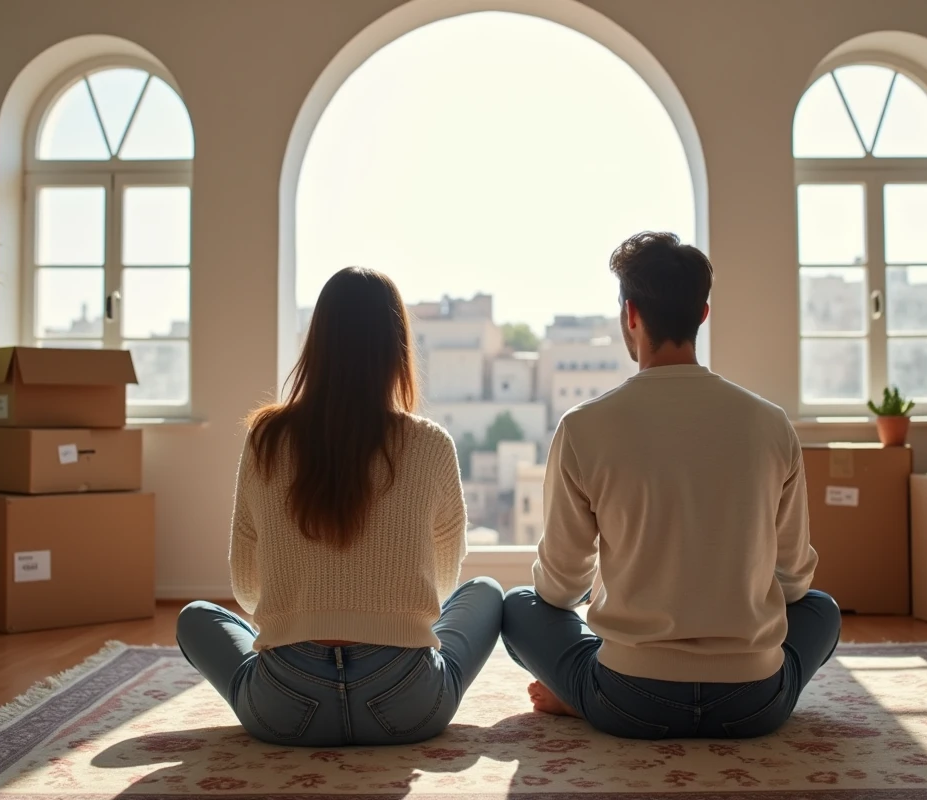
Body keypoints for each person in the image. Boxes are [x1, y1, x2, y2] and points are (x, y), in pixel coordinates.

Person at [501, 232, 840, 739]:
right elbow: (793, 582)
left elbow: (559, 587)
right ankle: (590, 694)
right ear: (702, 314)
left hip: (630, 698)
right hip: (753, 703)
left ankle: (582, 696)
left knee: (518, 608)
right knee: (822, 610)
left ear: (630, 315)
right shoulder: (771, 425)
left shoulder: (583, 427)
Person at [177, 267, 502, 747]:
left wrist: (307, 609)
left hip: (284, 709)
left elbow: (247, 590)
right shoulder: (431, 443)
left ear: (318, 343)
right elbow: (443, 583)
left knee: (196, 616)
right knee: (487, 592)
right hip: (408, 706)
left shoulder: (266, 439)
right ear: (397, 350)